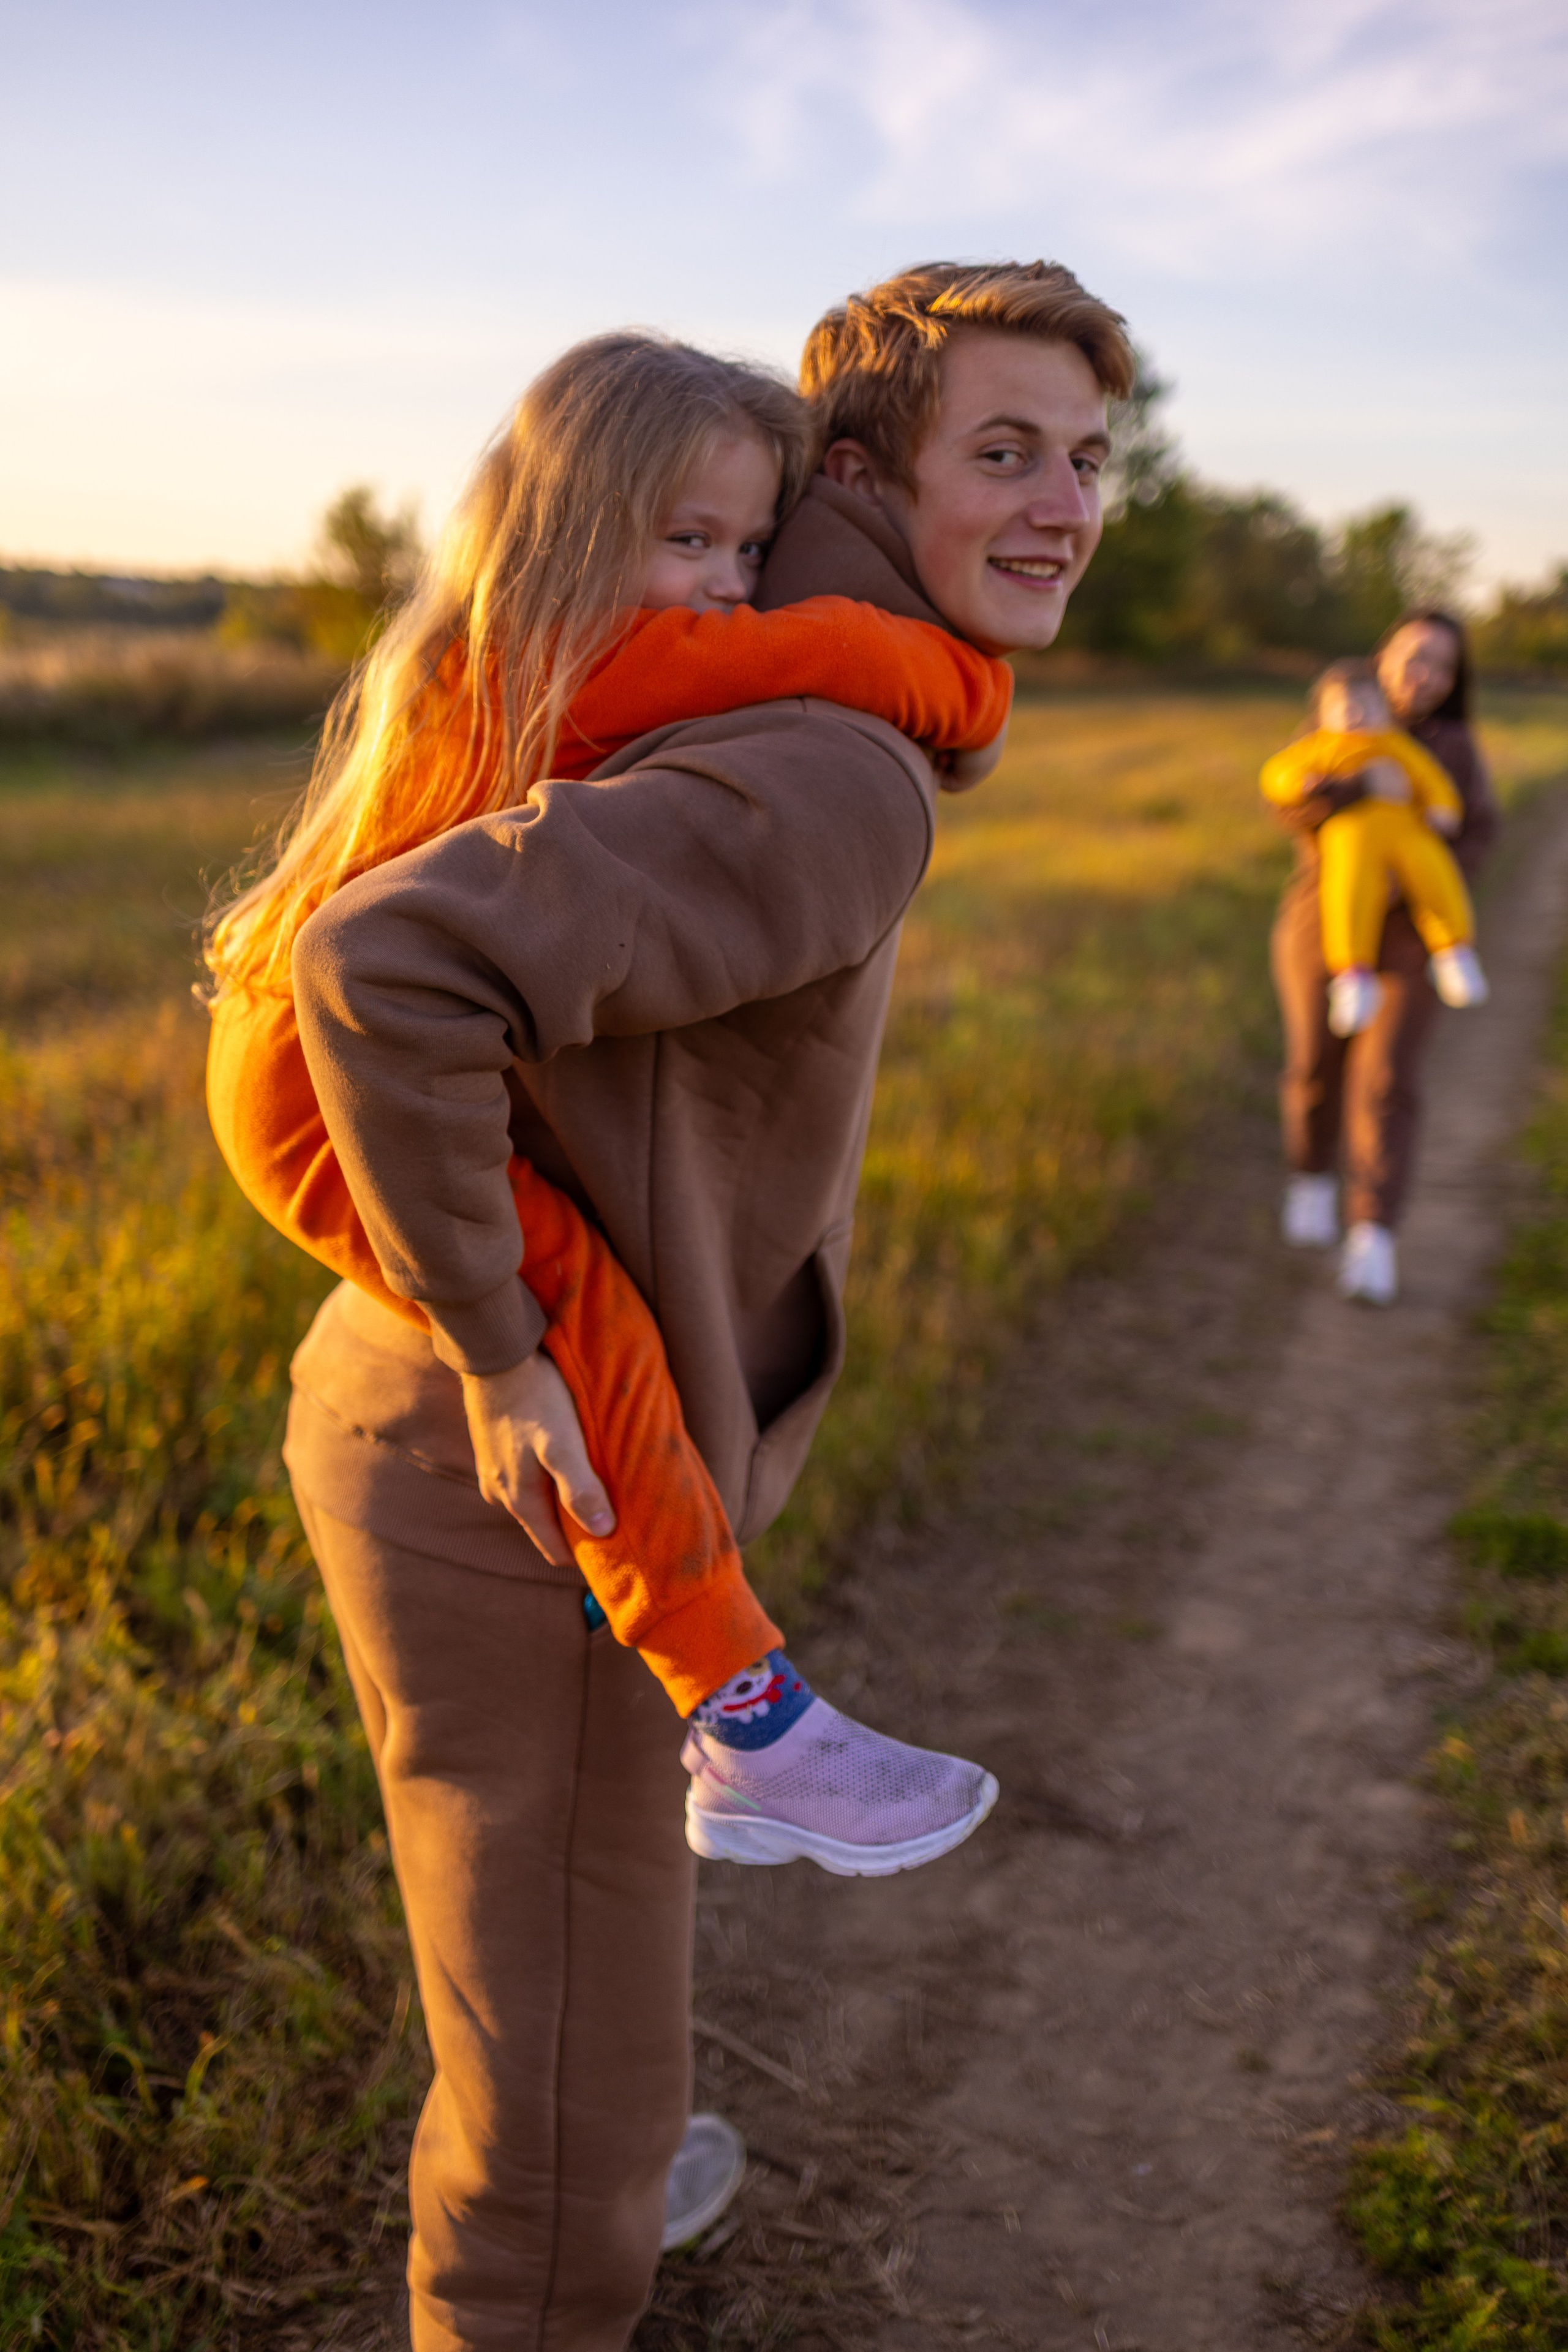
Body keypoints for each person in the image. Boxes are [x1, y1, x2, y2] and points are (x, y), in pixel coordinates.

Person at [209, 260, 1132, 2351]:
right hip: (514, 1450)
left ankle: (612, 2143)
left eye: (1089, 459)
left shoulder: (756, 687)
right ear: (859, 472)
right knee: (563, 2075)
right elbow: (385, 972)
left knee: (566, 1938)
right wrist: (500, 1336)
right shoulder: (839, 760)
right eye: (1005, 454)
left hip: (484, 1405)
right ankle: (556, 2239)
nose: (1068, 504)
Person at [208, 335, 1013, 1880]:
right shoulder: (569, 647)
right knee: (568, 1315)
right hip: (315, 1085)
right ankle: (745, 1712)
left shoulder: (535, 646)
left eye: (746, 547)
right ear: (573, 536)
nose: (723, 587)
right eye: (686, 540)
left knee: (588, 1310)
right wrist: (953, 680)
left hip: (318, 1051)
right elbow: (812, 659)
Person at [1271, 609, 1500, 1305]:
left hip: (1406, 938)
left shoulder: (1453, 746)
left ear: (1454, 681)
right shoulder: (1340, 718)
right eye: (1412, 656)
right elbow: (1290, 804)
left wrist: (1422, 869)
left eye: (1441, 664)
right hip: (1321, 925)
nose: (1422, 674)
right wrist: (1364, 789)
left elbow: (1476, 831)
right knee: (1314, 1066)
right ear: (1383, 656)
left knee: (1388, 1080)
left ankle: (1373, 1233)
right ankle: (1310, 1174)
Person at [1261, 658, 1488, 1039]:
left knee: (1436, 877)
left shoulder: (1397, 745)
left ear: (1384, 709)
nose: (1355, 713)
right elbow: (1276, 774)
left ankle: (1454, 952)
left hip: (1408, 833)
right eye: (1344, 707)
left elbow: (1431, 779)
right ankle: (1353, 976)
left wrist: (1442, 808)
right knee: (1350, 895)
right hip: (1351, 841)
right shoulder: (1320, 747)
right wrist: (1300, 783)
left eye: (1365, 705)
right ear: (1323, 713)